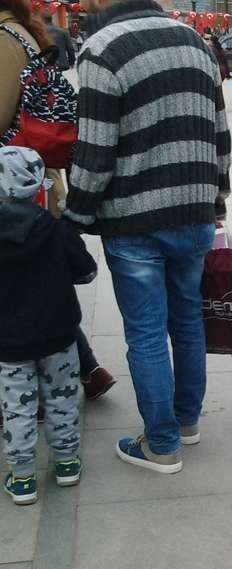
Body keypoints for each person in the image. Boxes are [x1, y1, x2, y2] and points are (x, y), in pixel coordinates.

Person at [64, 0, 232, 474]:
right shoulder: (195, 41)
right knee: (187, 322)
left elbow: (95, 150)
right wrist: (215, 199)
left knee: (146, 335)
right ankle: (186, 423)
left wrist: (74, 217)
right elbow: (220, 134)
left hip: (135, 219)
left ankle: (160, 444)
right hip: (194, 213)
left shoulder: (101, 50)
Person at [0, 0, 115, 403]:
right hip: (34, 179)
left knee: (23, 289)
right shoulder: (22, 34)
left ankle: (41, 390)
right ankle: (87, 370)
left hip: (14, 185)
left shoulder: (4, 40)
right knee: (36, 287)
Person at [0, 146, 93, 505]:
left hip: (9, 345)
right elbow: (85, 271)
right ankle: (67, 463)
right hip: (59, 336)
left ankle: (23, 477)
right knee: (61, 400)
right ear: (40, 185)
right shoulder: (58, 232)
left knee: (17, 407)